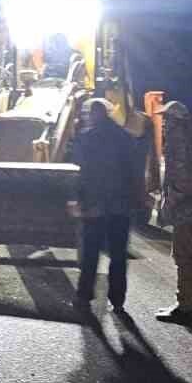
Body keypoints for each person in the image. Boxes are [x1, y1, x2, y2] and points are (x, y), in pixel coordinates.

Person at [71, 96, 144, 315]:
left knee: (90, 253)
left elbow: (81, 173)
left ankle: (84, 296)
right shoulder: (126, 138)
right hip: (120, 206)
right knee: (118, 255)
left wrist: (79, 199)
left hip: (95, 205)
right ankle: (118, 300)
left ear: (93, 115)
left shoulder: (87, 138)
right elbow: (135, 172)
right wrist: (135, 199)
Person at [154, 101, 192, 322]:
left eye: (166, 119)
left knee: (184, 256)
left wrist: (168, 208)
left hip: (187, 208)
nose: (163, 123)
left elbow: (183, 182)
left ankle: (185, 306)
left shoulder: (180, 142)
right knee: (185, 255)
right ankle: (184, 303)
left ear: (176, 121)